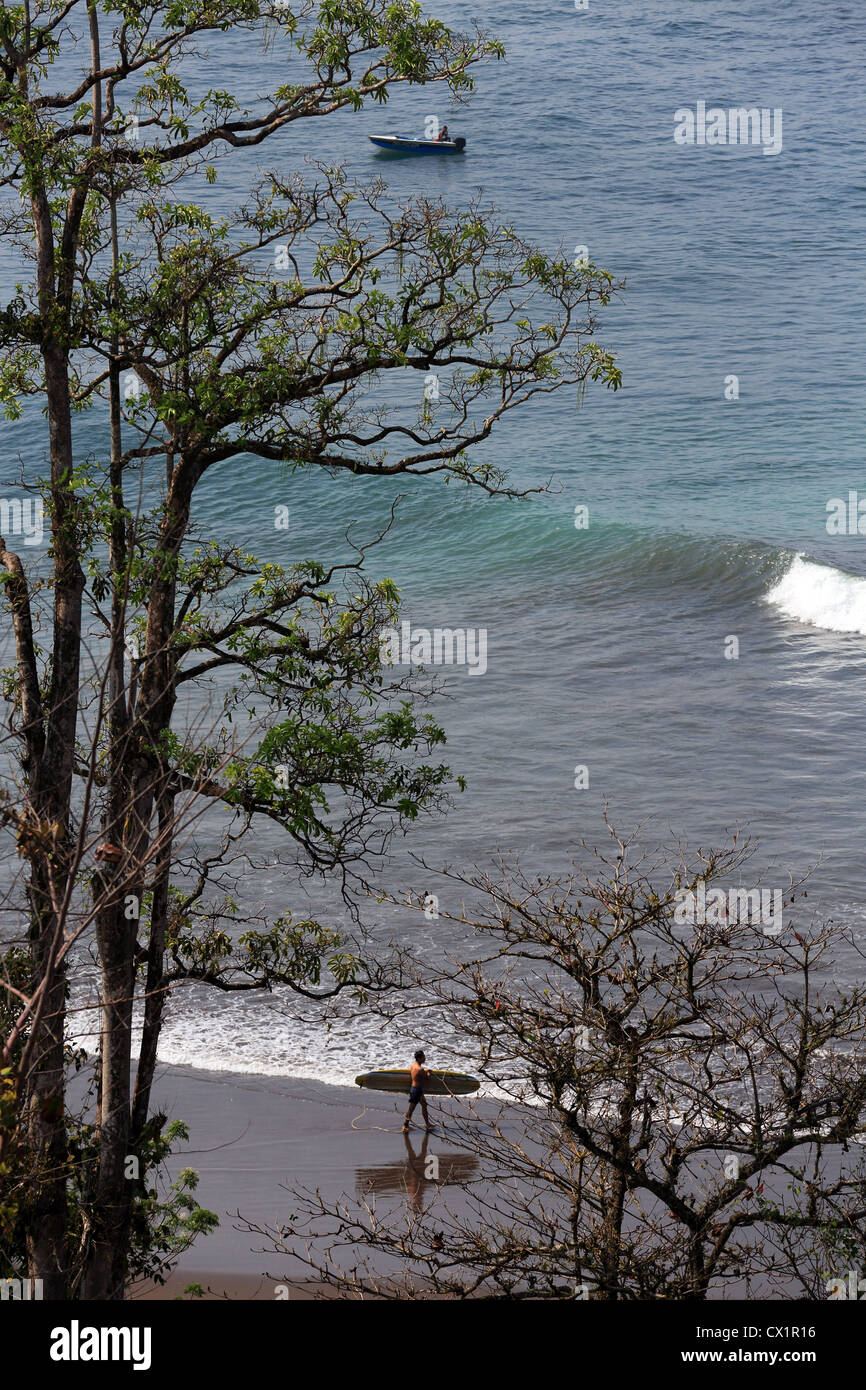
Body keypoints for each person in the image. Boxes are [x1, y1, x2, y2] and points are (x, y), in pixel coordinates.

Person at [402, 1049, 433, 1132]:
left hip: (416, 1089)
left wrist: (425, 1071)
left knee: (424, 1105)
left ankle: (427, 1124)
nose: (425, 1058)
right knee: (411, 1109)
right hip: (416, 1091)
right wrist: (429, 1073)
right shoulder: (420, 1069)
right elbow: (427, 1078)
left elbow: (418, 1074)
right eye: (423, 1057)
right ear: (419, 1058)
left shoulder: (413, 1065)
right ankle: (405, 1125)